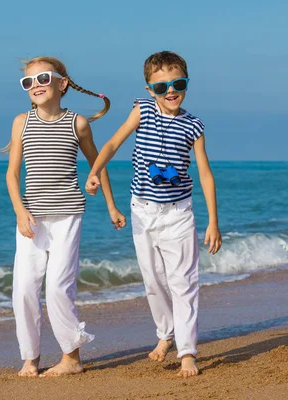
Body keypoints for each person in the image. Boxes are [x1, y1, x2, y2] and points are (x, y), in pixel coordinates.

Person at [85, 51, 222, 378]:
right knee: (153, 281)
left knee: (183, 282)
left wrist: (213, 222)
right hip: (143, 211)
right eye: (161, 87)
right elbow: (114, 143)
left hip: (179, 213)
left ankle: (187, 351)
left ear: (187, 84)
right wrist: (95, 171)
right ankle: (165, 335)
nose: (170, 91)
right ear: (149, 89)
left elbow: (204, 173)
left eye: (178, 84)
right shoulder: (143, 109)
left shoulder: (194, 126)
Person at [4, 56, 126, 377]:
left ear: (62, 84)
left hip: (68, 214)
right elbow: (12, 175)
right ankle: (30, 357)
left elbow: (97, 165)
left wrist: (111, 205)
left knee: (59, 286)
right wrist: (19, 210)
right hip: (31, 217)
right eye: (28, 82)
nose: (35, 86)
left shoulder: (78, 123)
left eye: (42, 79)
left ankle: (71, 358)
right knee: (24, 288)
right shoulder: (21, 122)